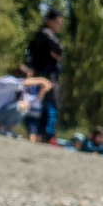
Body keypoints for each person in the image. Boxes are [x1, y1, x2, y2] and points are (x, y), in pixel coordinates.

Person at [0, 66, 50, 136]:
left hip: (0, 115)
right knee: (20, 105)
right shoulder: (5, 81)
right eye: (27, 78)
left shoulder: (17, 89)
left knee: (25, 105)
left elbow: (33, 101)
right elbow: (22, 83)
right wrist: (41, 80)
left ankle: (6, 129)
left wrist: (42, 91)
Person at [26, 9, 63, 140]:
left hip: (43, 74)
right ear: (49, 21)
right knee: (50, 106)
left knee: (42, 104)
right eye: (58, 22)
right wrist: (57, 52)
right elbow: (59, 49)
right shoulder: (45, 34)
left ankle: (39, 134)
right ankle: (45, 135)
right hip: (45, 76)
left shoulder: (42, 34)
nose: (60, 25)